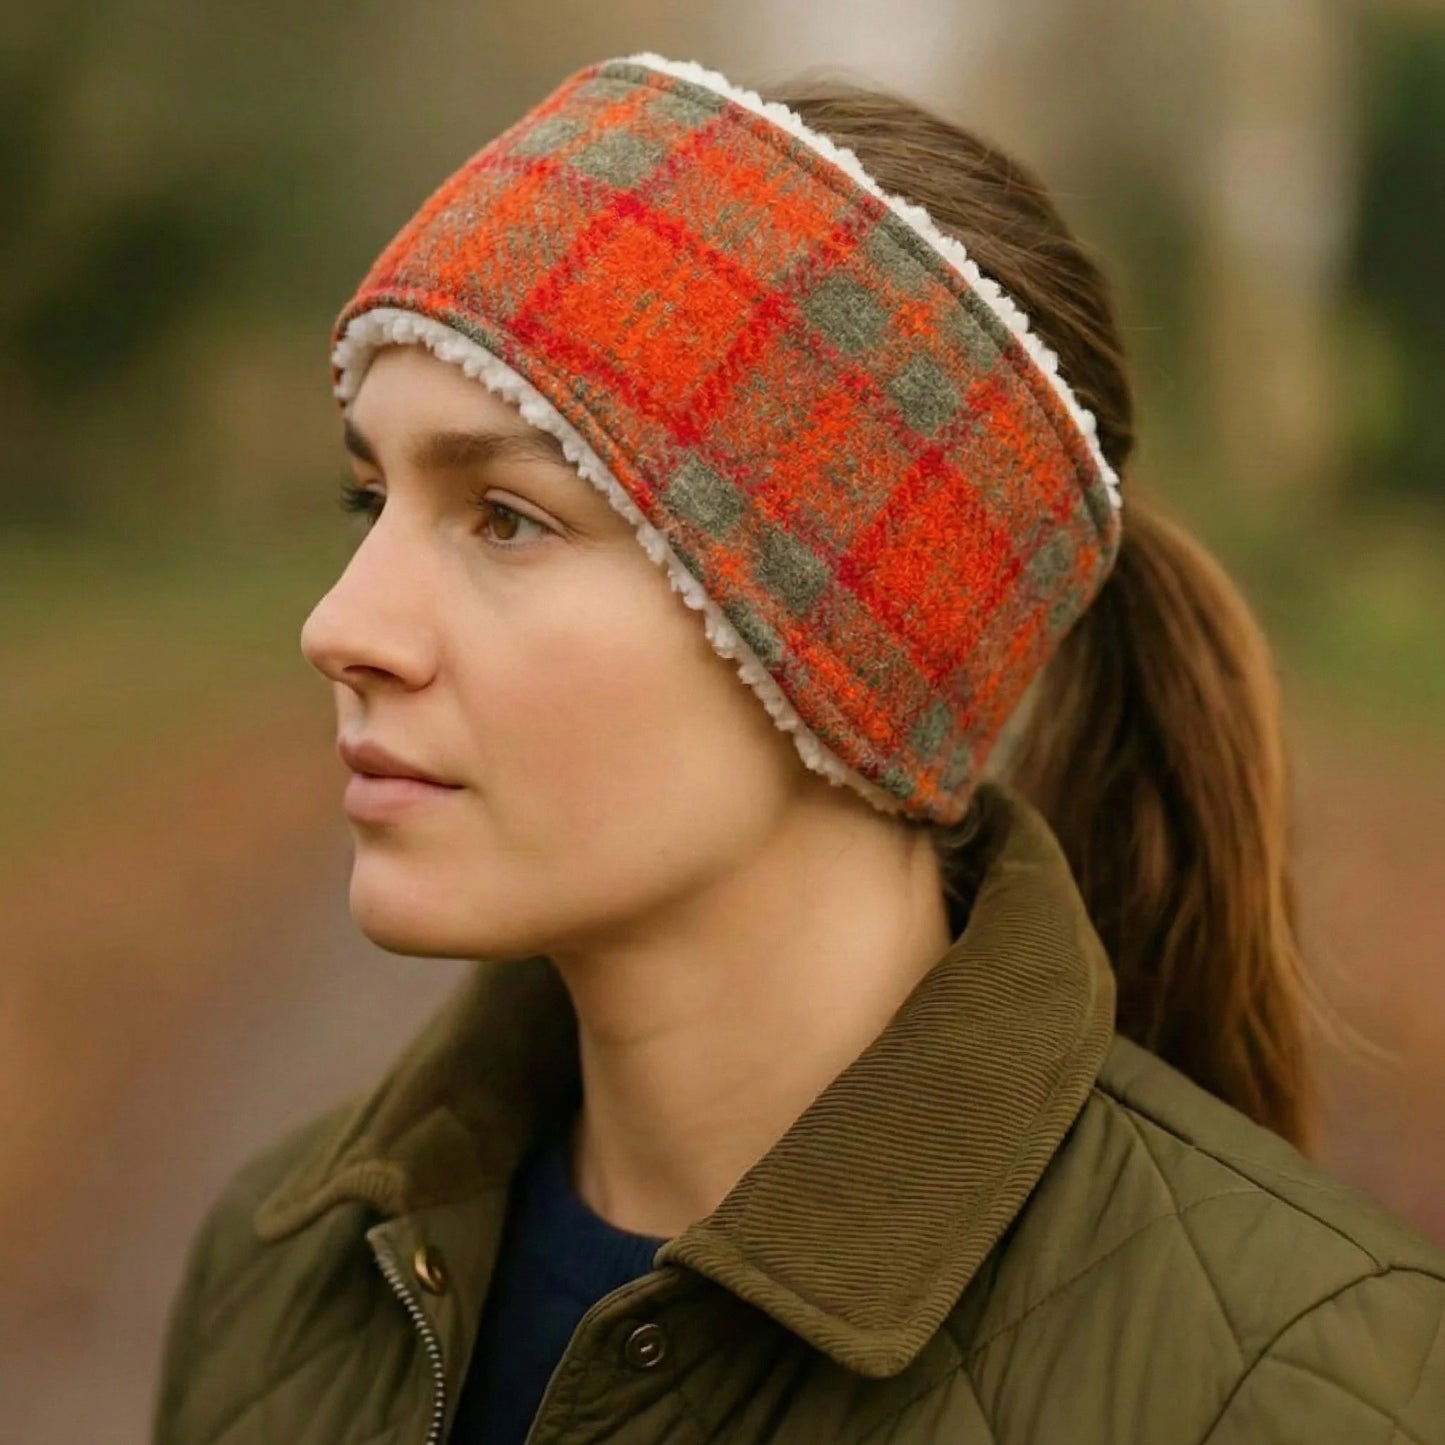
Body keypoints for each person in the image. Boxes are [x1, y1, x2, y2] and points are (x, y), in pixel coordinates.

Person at [152, 51, 1445, 1445]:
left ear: (861, 644)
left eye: (506, 517)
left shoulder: (1293, 1387)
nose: (343, 624)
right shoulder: (288, 1271)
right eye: (369, 499)